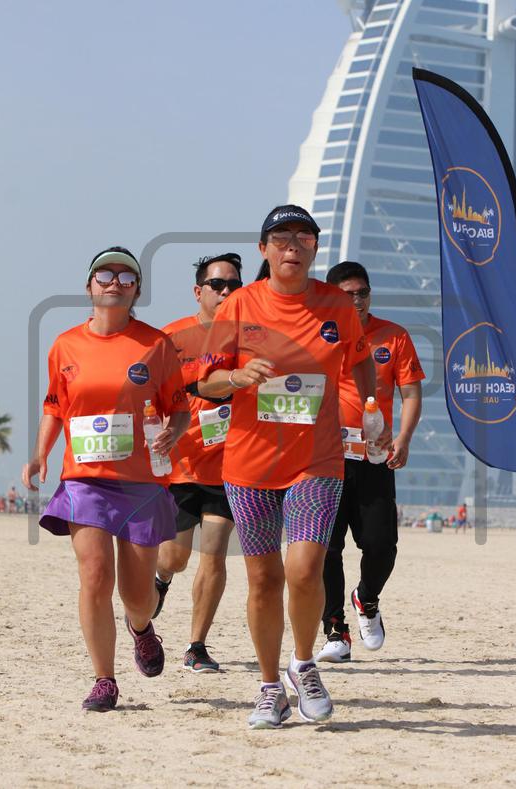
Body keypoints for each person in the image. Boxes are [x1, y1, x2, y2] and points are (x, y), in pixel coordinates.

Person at [197, 205, 376, 729]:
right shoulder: (239, 305)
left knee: (303, 570)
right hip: (250, 463)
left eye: (303, 236)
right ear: (264, 250)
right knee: (262, 578)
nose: (292, 245)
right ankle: (270, 687)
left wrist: (371, 411)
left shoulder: (335, 305)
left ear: (315, 248)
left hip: (316, 460)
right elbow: (205, 382)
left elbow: (360, 358)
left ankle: (303, 664)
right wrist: (238, 378)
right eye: (281, 237)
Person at [22, 246, 190, 712]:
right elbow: (55, 406)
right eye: (105, 274)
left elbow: (179, 408)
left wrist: (173, 434)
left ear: (137, 290)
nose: (115, 282)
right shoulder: (65, 345)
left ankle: (141, 627)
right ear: (89, 286)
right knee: (95, 575)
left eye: (126, 277)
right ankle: (104, 679)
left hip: (140, 482)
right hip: (86, 479)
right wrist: (39, 455)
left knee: (137, 595)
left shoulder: (156, 345)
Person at [316, 261, 424, 664]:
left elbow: (411, 394)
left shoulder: (393, 336)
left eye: (362, 293)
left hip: (374, 455)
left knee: (381, 545)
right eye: (347, 295)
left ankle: (367, 597)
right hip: (324, 458)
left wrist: (404, 438)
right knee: (326, 548)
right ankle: (335, 630)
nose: (357, 301)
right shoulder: (316, 335)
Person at [155, 252, 243, 673]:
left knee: (215, 553)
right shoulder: (172, 337)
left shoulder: (250, 338)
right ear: (198, 291)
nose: (226, 292)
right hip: (181, 464)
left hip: (230, 465)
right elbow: (147, 392)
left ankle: (196, 646)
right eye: (217, 285)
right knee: (174, 557)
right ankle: (161, 579)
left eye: (234, 286)